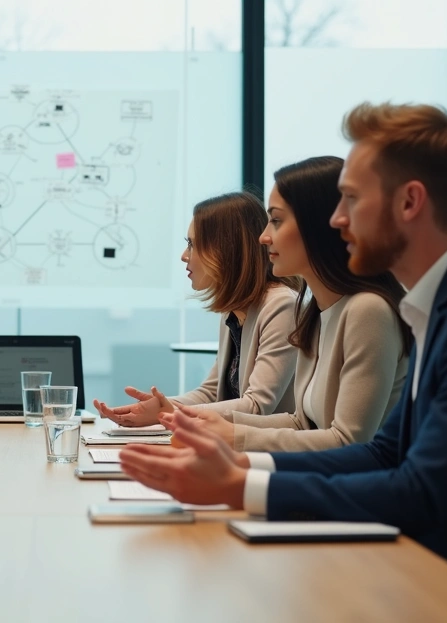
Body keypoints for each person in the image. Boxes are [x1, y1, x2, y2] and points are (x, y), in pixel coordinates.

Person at [120, 102, 447, 563]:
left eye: (352, 199)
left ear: (409, 202)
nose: (337, 219)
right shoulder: (445, 301)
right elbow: (383, 453)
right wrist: (239, 466)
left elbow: (420, 492)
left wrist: (242, 484)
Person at [160, 156, 410, 452]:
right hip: (319, 482)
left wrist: (232, 436)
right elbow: (300, 423)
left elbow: (348, 442)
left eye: (276, 221)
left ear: (319, 226)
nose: (264, 237)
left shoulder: (367, 310)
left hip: (356, 492)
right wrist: (203, 422)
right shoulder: (317, 311)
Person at [95, 192, 300, 424]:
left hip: (268, 455)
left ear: (226, 250)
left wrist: (170, 413)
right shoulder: (234, 309)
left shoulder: (281, 305)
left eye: (192, 245)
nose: (184, 256)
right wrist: (155, 408)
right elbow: (210, 392)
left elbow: (256, 405)